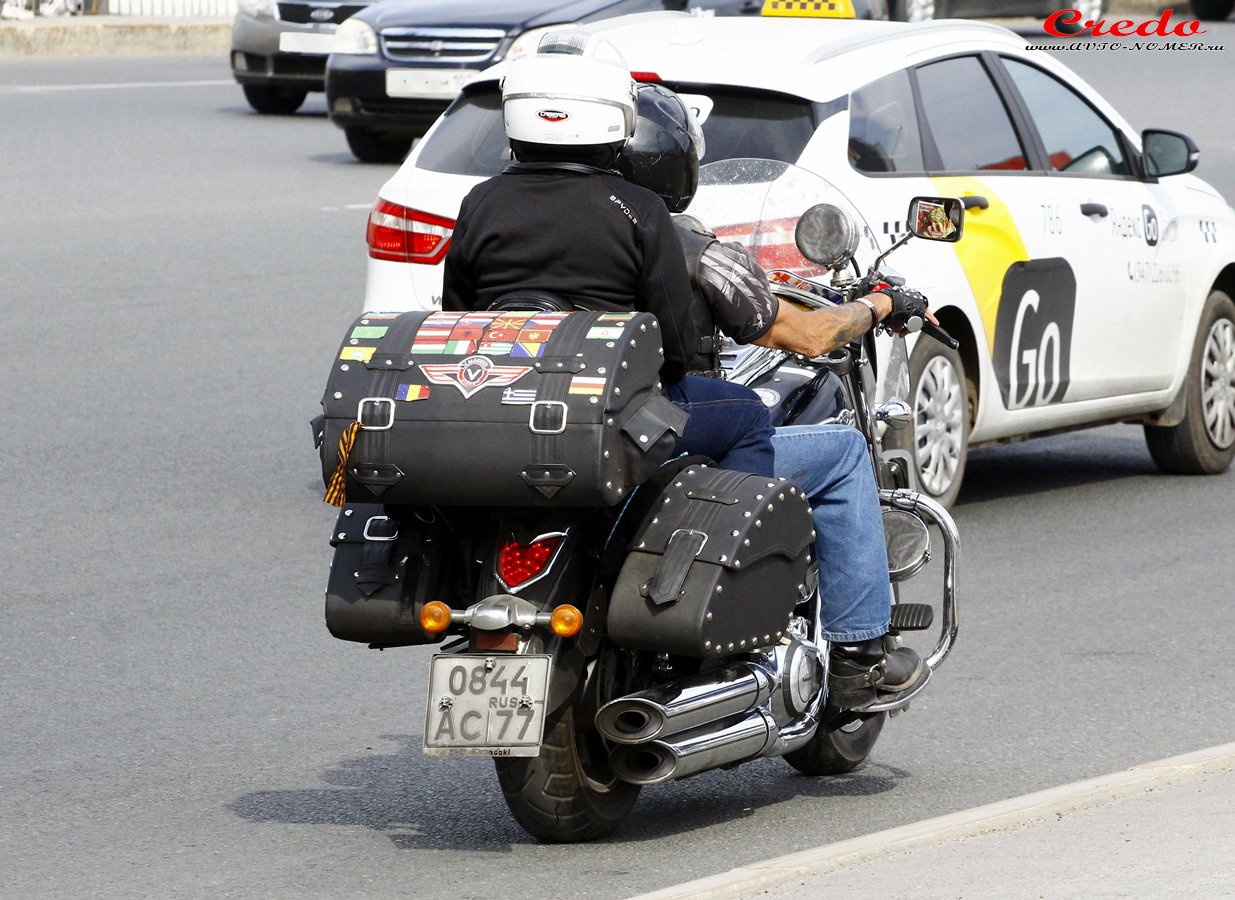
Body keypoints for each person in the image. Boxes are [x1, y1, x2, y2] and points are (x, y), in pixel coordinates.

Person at [617, 81, 930, 710]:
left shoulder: (513, 220)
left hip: (557, 433)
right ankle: (859, 654)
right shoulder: (683, 244)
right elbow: (809, 335)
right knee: (840, 451)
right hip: (656, 428)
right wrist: (881, 303)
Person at [441, 31, 774, 477]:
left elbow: (457, 319)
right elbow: (676, 352)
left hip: (500, 400)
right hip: (609, 412)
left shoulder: (479, 202)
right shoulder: (640, 209)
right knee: (751, 415)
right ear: (618, 117)